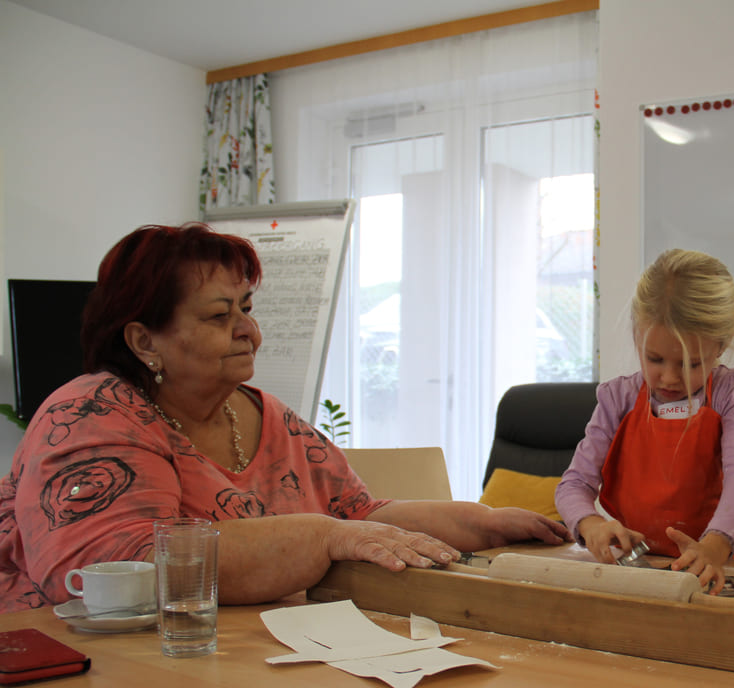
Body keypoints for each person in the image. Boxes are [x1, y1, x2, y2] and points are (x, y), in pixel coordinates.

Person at [0, 223, 571, 613]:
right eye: (221, 315)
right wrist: (322, 536)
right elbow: (126, 572)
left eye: (246, 308)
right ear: (145, 340)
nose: (248, 330)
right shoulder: (92, 414)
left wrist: (480, 521)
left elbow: (360, 515)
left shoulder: (263, 413)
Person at [555, 249, 734, 593]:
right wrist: (590, 523)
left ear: (721, 346)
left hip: (708, 564)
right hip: (634, 568)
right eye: (654, 359)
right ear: (637, 336)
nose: (668, 378)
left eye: (690, 365)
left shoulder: (731, 391)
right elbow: (573, 484)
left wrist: (714, 545)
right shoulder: (617, 398)